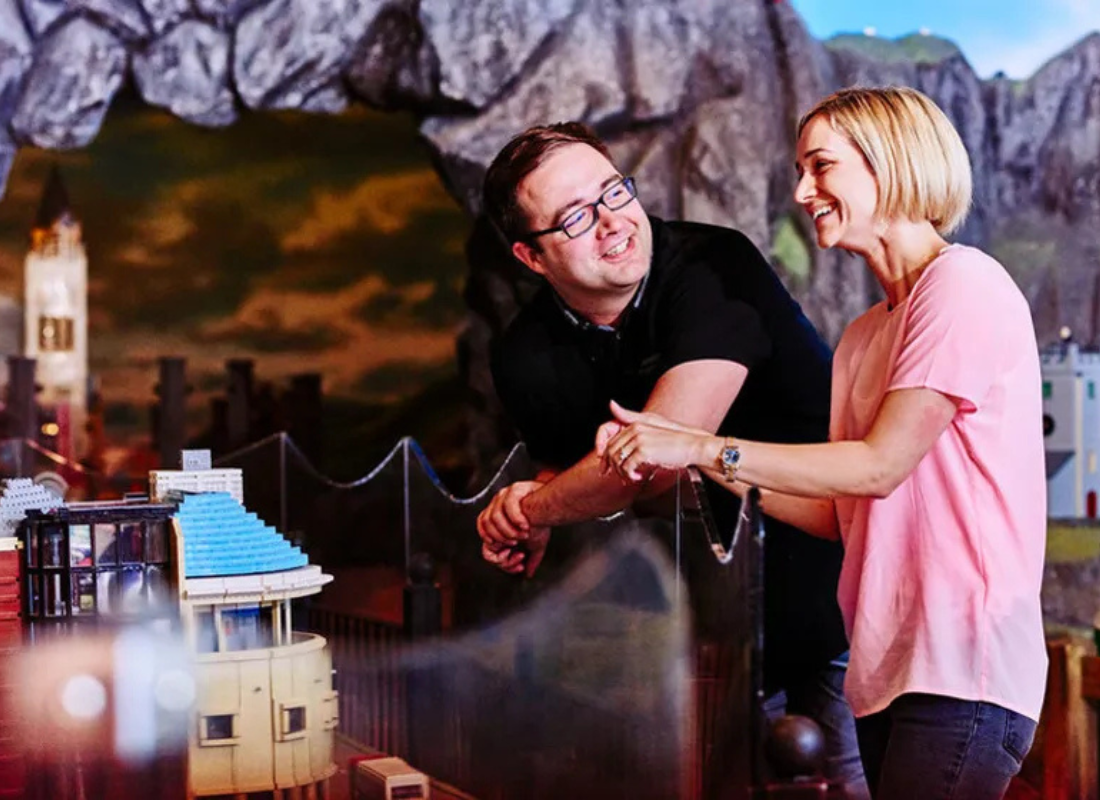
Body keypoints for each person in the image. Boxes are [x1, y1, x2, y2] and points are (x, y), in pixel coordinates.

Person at [598, 86, 1046, 799]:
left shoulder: (964, 284)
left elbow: (877, 466)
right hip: (886, 676)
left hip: (964, 671)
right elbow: (837, 511)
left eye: (821, 166)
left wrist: (699, 445)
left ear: (890, 162)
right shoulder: (865, 336)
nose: (804, 191)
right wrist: (689, 464)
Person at [475, 122, 868, 797]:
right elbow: (593, 487)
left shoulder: (714, 267)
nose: (612, 223)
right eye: (573, 217)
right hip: (696, 634)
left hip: (834, 593)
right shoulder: (525, 356)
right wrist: (535, 504)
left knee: (850, 780)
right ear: (529, 256)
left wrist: (534, 507)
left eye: (613, 192)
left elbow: (653, 458)